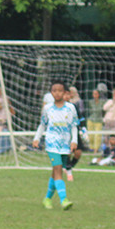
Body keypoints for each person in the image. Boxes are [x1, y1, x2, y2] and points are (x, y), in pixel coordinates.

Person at [32, 80, 78, 211]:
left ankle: (47, 198)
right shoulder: (47, 109)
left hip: (65, 144)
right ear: (51, 93)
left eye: (60, 90)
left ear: (64, 93)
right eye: (54, 90)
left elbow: (74, 126)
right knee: (58, 169)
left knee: (55, 172)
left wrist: (74, 141)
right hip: (51, 143)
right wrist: (37, 138)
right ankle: (64, 200)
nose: (57, 93)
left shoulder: (71, 108)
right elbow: (42, 124)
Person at [87, 88, 106, 153]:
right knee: (91, 135)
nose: (94, 95)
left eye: (96, 94)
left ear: (98, 95)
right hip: (91, 119)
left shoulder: (102, 102)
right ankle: (91, 148)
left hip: (99, 120)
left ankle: (96, 149)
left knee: (98, 135)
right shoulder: (90, 102)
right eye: (93, 94)